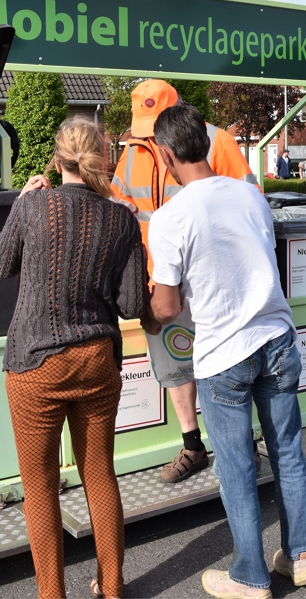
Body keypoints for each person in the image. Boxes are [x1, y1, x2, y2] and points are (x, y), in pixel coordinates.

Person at [143, 102, 306, 599]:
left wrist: (148, 313)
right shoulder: (250, 195)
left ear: (166, 153)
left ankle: (250, 576)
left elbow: (168, 303)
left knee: (236, 465)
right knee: (287, 450)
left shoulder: (170, 217)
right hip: (278, 338)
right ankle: (301, 556)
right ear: (205, 142)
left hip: (225, 353)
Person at [0, 117, 152, 599]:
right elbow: (130, 306)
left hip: (33, 364)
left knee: (39, 486)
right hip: (97, 360)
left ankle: (51, 595)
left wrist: (19, 204)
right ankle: (113, 586)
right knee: (99, 474)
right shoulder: (121, 217)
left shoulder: (34, 207)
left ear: (56, 160)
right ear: (100, 157)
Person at [110, 79, 258, 484]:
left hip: (215, 282)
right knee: (176, 368)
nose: (149, 137)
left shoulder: (219, 142)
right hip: (162, 284)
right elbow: (121, 218)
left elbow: (246, 208)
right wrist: (141, 292)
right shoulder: (133, 152)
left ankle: (239, 446)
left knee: (229, 365)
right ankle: (193, 445)